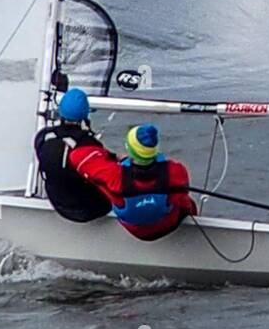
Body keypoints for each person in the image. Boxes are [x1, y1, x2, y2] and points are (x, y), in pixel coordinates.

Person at [69, 123, 198, 242]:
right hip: (168, 224)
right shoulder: (176, 171)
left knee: (103, 186)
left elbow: (76, 156)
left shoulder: (114, 175)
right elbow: (182, 192)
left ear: (130, 151)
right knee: (184, 199)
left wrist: (111, 157)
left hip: (133, 228)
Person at [33, 88, 113, 223]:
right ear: (85, 114)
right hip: (88, 210)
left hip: (57, 202)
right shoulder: (89, 144)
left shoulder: (43, 136)